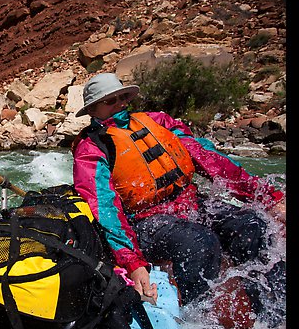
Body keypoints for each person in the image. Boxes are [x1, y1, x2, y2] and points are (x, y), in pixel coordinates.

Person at [71, 73, 285, 304]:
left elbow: (209, 158)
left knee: (252, 225)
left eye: (123, 97)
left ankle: (273, 309)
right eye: (110, 101)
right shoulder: (91, 149)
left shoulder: (157, 122)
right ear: (92, 110)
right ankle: (199, 319)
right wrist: (132, 262)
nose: (120, 104)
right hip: (146, 222)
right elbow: (104, 207)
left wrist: (268, 197)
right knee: (199, 242)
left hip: (190, 204)